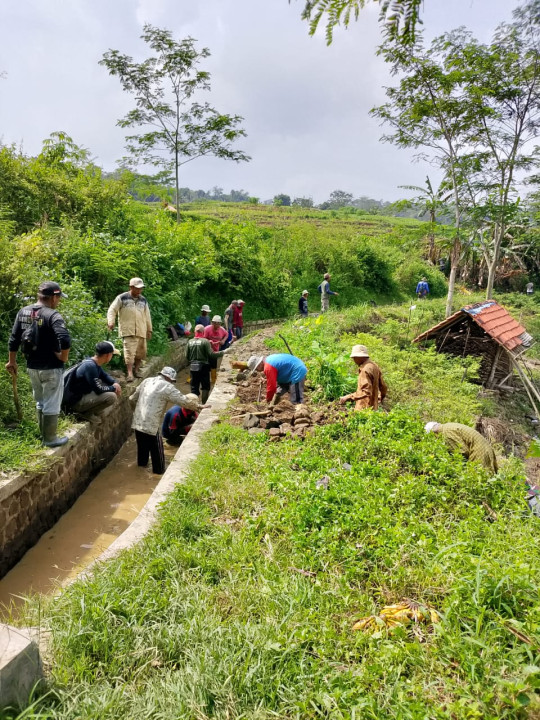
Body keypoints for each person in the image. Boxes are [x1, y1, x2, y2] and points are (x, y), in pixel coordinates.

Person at [6, 281, 71, 447]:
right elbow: (65, 338)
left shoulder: (23, 312)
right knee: (51, 402)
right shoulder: (53, 315)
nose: (59, 301)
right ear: (53, 297)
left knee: (40, 401)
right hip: (51, 367)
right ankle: (50, 439)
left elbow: (14, 339)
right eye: (59, 298)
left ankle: (43, 436)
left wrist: (12, 361)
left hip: (32, 366)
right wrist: (63, 357)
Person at [130, 366, 200, 474]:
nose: (172, 383)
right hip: (151, 426)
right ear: (169, 378)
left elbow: (132, 399)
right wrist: (199, 407)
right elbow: (183, 401)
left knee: (142, 451)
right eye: (172, 381)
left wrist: (137, 413)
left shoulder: (146, 381)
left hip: (138, 422)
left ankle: (139, 473)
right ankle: (159, 473)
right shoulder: (167, 387)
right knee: (158, 454)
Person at [107, 278, 152, 383]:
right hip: (128, 330)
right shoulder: (122, 298)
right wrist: (111, 321)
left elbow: (147, 315)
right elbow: (112, 310)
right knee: (129, 352)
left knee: (141, 352)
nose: (139, 290)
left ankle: (136, 370)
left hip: (141, 329)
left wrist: (149, 329)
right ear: (131, 287)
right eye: (137, 288)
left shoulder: (143, 300)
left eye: (141, 288)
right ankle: (130, 373)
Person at [62, 341, 122, 420]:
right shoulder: (90, 366)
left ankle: (92, 410)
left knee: (104, 383)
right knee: (111, 397)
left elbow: (104, 376)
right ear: (108, 355)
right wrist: (114, 388)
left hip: (80, 395)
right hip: (75, 402)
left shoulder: (93, 362)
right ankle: (84, 414)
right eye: (112, 355)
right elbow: (98, 389)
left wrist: (114, 383)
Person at [425, 421, 498, 474]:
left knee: (477, 478)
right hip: (485, 446)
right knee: (487, 476)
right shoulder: (447, 427)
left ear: (433, 433)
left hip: (479, 450)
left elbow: (461, 453)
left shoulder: (445, 434)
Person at [339, 344, 387, 411]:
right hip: (373, 409)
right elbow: (383, 387)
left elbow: (366, 392)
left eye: (354, 358)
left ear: (359, 357)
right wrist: (380, 397)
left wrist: (348, 397)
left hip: (364, 409)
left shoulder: (365, 370)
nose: (354, 360)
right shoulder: (374, 366)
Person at [188, 325, 227, 403]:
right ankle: (203, 404)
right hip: (204, 367)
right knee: (205, 387)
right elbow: (211, 354)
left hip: (193, 367)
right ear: (203, 332)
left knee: (194, 387)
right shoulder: (205, 342)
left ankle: (194, 405)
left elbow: (187, 356)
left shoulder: (190, 342)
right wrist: (224, 352)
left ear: (195, 332)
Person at [204, 315, 228, 384]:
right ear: (212, 323)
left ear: (220, 324)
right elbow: (203, 338)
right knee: (206, 364)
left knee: (214, 364)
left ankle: (213, 379)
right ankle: (206, 379)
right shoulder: (207, 329)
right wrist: (209, 341)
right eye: (215, 323)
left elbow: (226, 334)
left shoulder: (222, 330)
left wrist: (223, 340)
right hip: (207, 349)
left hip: (215, 349)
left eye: (218, 324)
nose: (216, 325)